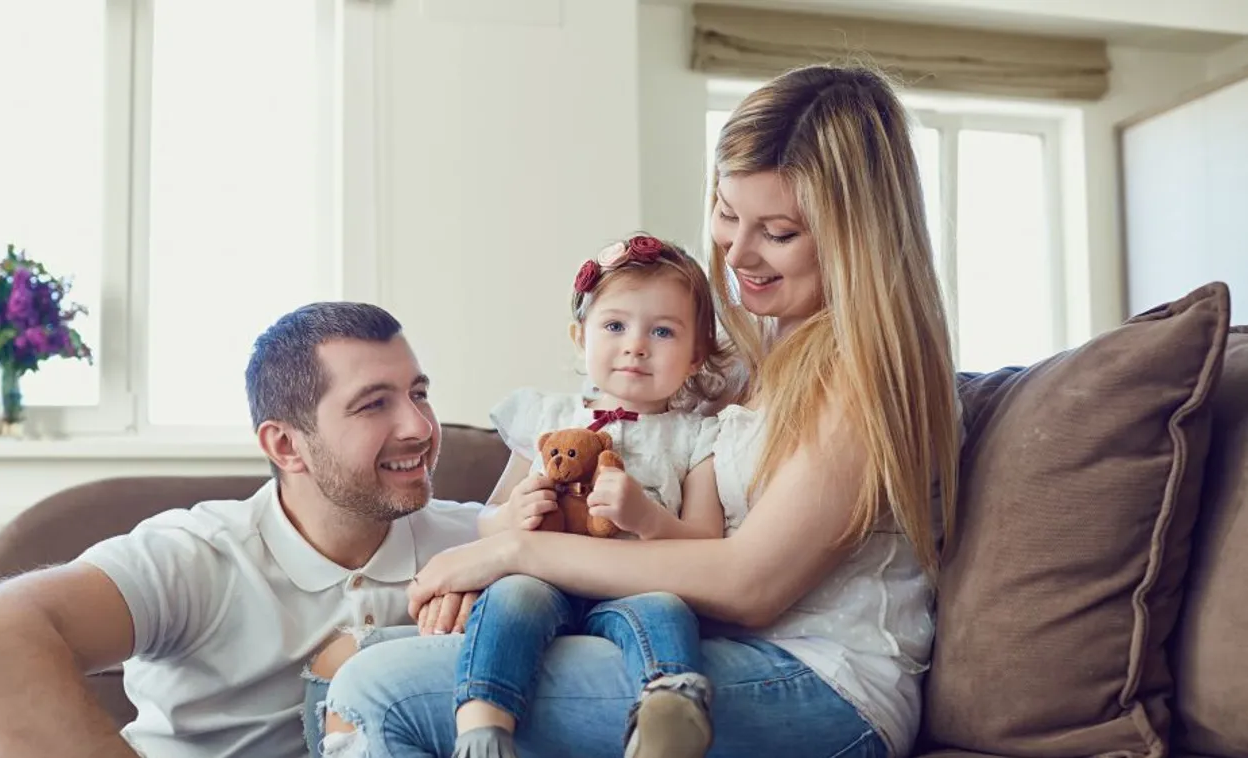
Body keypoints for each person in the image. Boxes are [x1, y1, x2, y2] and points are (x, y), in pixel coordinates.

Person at [315, 63, 963, 758]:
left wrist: (513, 551)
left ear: (855, 236)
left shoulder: (866, 371)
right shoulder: (738, 357)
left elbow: (750, 584)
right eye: (724, 212)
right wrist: (498, 580)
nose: (737, 253)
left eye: (777, 232)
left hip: (823, 685)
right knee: (341, 668)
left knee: (377, 689)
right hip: (704, 648)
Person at [0, 302, 483, 758]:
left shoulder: (475, 544)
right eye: (374, 404)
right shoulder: (198, 554)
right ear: (285, 445)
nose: (419, 426)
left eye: (419, 393)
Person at [316, 236, 742, 758]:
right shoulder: (545, 418)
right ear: (579, 336)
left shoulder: (695, 437)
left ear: (697, 354)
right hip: (548, 582)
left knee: (665, 610)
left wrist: (648, 518)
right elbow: (489, 524)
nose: (636, 345)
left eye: (662, 331)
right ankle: (483, 727)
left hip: (637, 585)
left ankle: (669, 709)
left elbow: (705, 542)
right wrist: (514, 515)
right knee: (510, 598)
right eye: (614, 326)